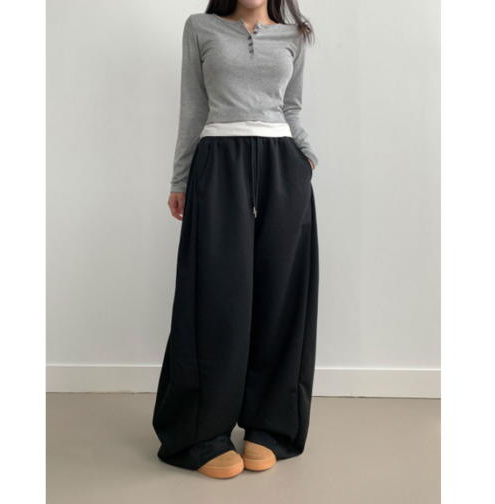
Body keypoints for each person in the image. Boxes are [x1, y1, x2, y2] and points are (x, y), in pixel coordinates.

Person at [152, 0, 319, 479]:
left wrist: (306, 157)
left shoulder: (295, 35)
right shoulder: (200, 28)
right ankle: (202, 432)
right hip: (219, 162)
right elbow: (194, 106)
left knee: (280, 296)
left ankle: (270, 425)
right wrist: (180, 179)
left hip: (283, 168)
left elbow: (291, 107)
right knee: (216, 295)